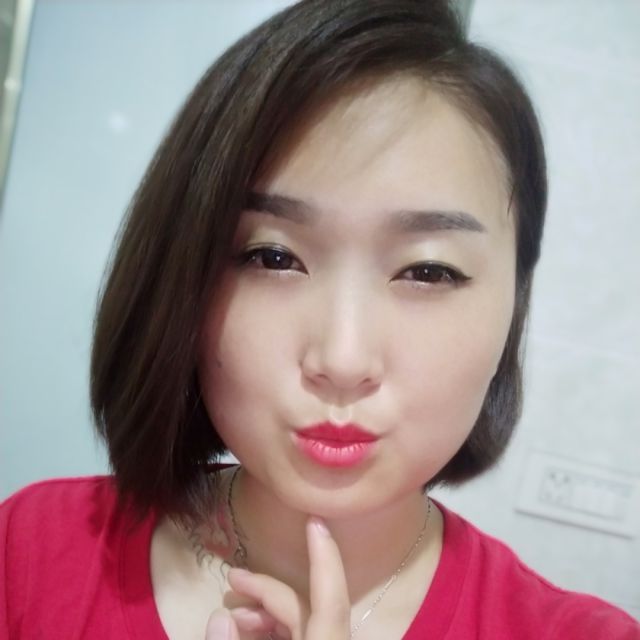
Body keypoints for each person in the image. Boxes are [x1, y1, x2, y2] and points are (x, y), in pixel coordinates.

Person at [1, 1, 638, 638]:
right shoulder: (28, 554)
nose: (342, 359)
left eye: (428, 271)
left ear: (513, 304)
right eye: (273, 257)